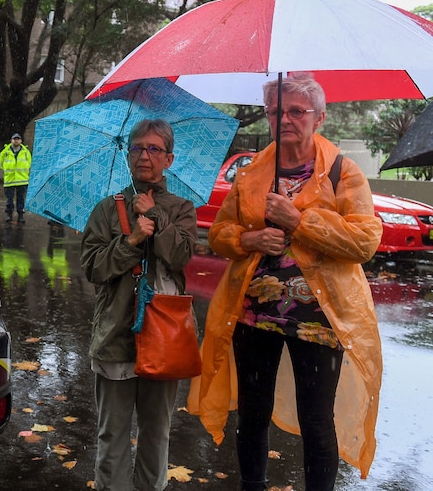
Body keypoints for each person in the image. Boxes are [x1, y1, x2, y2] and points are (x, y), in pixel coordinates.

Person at [186, 74, 383, 490]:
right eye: (276, 111)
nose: (285, 119)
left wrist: (300, 221)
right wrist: (249, 238)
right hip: (253, 314)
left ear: (320, 117)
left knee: (316, 419)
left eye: (296, 111)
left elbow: (365, 241)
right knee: (252, 414)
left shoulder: (343, 172)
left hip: (319, 317)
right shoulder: (253, 171)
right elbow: (220, 233)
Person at [80, 119, 197, 491]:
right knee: (111, 435)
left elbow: (181, 256)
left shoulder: (181, 209)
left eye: (153, 149)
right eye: (137, 148)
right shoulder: (106, 209)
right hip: (115, 335)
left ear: (169, 159)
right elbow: (93, 268)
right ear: (127, 154)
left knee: (156, 434)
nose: (144, 155)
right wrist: (129, 240)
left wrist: (156, 217)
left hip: (164, 337)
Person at [0, 132, 32, 223]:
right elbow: (1, 164)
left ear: (20, 141)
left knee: (20, 199)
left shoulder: (26, 152)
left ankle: (20, 216)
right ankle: (9, 215)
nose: (16, 141)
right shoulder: (5, 152)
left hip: (22, 180)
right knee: (9, 200)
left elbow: (29, 164)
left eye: (18, 139)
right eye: (14, 139)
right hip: (10, 180)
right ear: (11, 140)